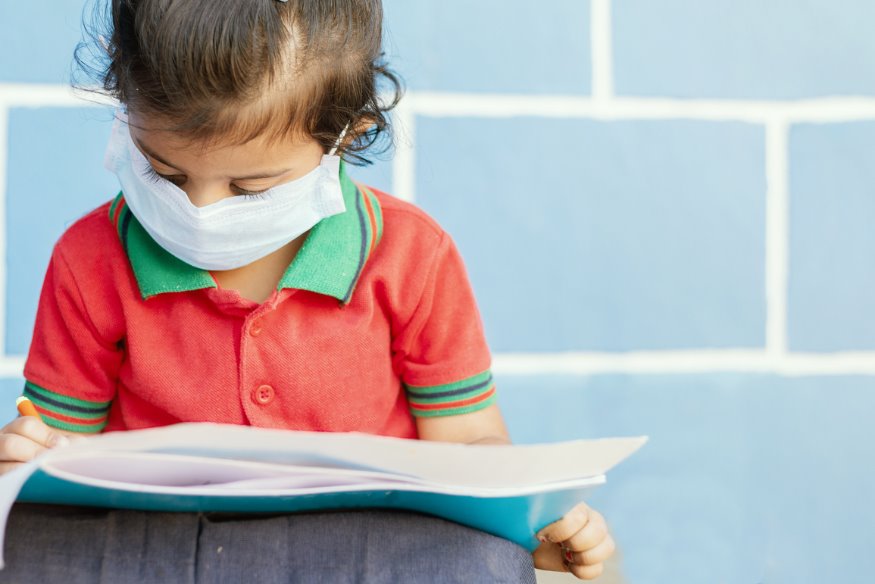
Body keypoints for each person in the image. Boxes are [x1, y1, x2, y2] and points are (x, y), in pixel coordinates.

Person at [0, 0, 615, 581]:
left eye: (251, 187)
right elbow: (58, 445)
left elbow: (470, 443)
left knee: (483, 564)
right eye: (167, 171)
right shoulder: (90, 257)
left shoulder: (411, 255)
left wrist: (531, 518)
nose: (201, 208)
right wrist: (30, 451)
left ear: (348, 133)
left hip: (366, 545)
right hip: (162, 545)